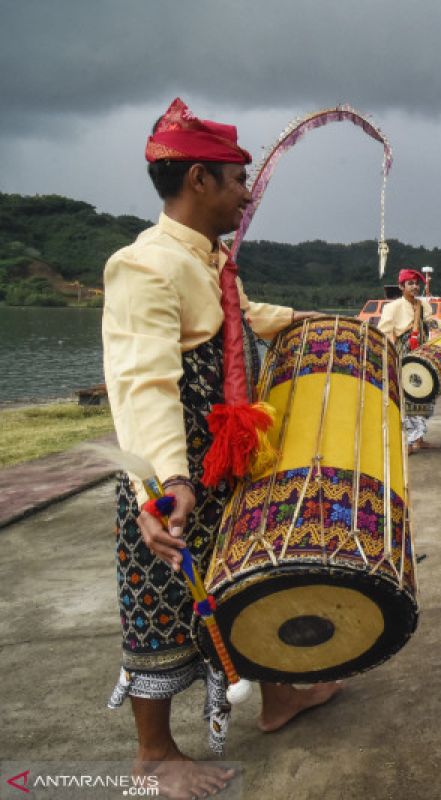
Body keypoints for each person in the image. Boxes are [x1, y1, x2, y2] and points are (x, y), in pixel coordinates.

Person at [102, 98, 336, 798]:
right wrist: (169, 480)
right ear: (199, 179)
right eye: (238, 181)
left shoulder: (207, 263)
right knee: (163, 602)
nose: (246, 196)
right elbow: (145, 383)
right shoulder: (143, 265)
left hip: (220, 464)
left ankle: (282, 693)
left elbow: (241, 315)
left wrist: (327, 323)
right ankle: (153, 756)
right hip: (174, 474)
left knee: (245, 580)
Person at [379, 268, 438, 452]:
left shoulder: (423, 305)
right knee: (408, 396)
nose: (414, 287)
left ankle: (419, 438)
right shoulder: (392, 307)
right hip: (403, 353)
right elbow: (385, 332)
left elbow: (431, 323)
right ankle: (409, 441)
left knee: (424, 395)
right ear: (401, 286)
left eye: (416, 283)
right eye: (410, 283)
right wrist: (391, 355)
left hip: (422, 352)